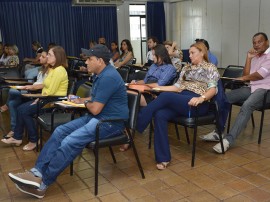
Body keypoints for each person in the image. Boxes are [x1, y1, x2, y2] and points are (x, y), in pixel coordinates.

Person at [7, 44, 129, 199]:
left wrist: (84, 104)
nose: (85, 62)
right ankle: (36, 172)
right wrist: (80, 100)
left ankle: (43, 184)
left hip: (110, 123)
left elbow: (95, 108)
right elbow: (93, 99)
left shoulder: (109, 77)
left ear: (99, 61)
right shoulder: (101, 74)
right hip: (97, 118)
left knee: (70, 141)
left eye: (89, 59)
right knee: (59, 131)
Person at [136, 42, 220, 170]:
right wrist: (158, 87)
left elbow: (212, 89)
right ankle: (163, 158)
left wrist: (201, 98)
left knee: (165, 96)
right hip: (181, 99)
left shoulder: (210, 68)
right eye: (189, 53)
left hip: (198, 102)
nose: (190, 56)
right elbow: (177, 87)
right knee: (160, 114)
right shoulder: (186, 68)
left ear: (202, 53)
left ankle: (137, 123)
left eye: (193, 53)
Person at [200, 32, 270, 153]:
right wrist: (248, 58)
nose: (256, 45)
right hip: (251, 87)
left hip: (265, 90)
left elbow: (260, 75)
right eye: (254, 43)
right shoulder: (256, 56)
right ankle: (218, 132)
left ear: (267, 42)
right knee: (224, 98)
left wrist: (244, 78)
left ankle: (228, 140)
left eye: (260, 42)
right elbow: (246, 75)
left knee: (247, 105)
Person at [1, 46, 68, 151]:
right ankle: (17, 137)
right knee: (20, 108)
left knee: (24, 111)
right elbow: (46, 88)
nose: (47, 57)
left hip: (54, 101)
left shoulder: (59, 70)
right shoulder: (52, 69)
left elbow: (50, 92)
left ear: (57, 57)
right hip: (47, 98)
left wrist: (38, 98)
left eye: (50, 55)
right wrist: (38, 97)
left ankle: (34, 140)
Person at [0, 51, 49, 139]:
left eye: (43, 56)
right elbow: (37, 82)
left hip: (35, 93)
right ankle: (14, 130)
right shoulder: (42, 69)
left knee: (12, 91)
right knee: (13, 103)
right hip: (32, 90)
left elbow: (44, 86)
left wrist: (28, 87)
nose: (39, 58)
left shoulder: (51, 71)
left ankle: (6, 106)